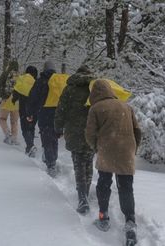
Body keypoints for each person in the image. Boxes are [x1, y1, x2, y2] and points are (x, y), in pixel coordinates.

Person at [85, 80, 141, 245]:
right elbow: (138, 131)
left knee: (104, 184)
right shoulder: (126, 106)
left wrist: (97, 147)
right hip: (126, 151)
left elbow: (90, 134)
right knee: (126, 188)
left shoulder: (95, 108)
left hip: (106, 150)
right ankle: (130, 223)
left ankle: (103, 217)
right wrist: (132, 149)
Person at [54, 64, 95, 215]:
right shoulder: (94, 88)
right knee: (89, 161)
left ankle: (82, 196)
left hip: (73, 131)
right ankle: (86, 191)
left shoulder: (70, 88)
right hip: (91, 131)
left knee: (78, 162)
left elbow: (61, 109)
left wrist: (58, 127)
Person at [26, 61, 61, 177]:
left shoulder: (40, 81)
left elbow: (33, 97)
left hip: (44, 113)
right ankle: (53, 159)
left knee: (46, 138)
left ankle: (51, 164)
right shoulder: (58, 81)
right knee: (54, 137)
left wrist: (30, 112)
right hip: (57, 113)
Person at [12, 66, 38, 156]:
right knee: (31, 126)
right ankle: (29, 146)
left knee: (24, 127)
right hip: (34, 107)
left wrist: (14, 99)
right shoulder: (36, 81)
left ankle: (30, 145)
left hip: (24, 106)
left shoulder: (22, 78)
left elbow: (16, 91)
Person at [0, 60, 20, 145]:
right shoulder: (20, 76)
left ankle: (7, 134)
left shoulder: (6, 74)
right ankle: (14, 138)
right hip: (16, 101)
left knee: (2, 119)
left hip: (6, 100)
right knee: (14, 121)